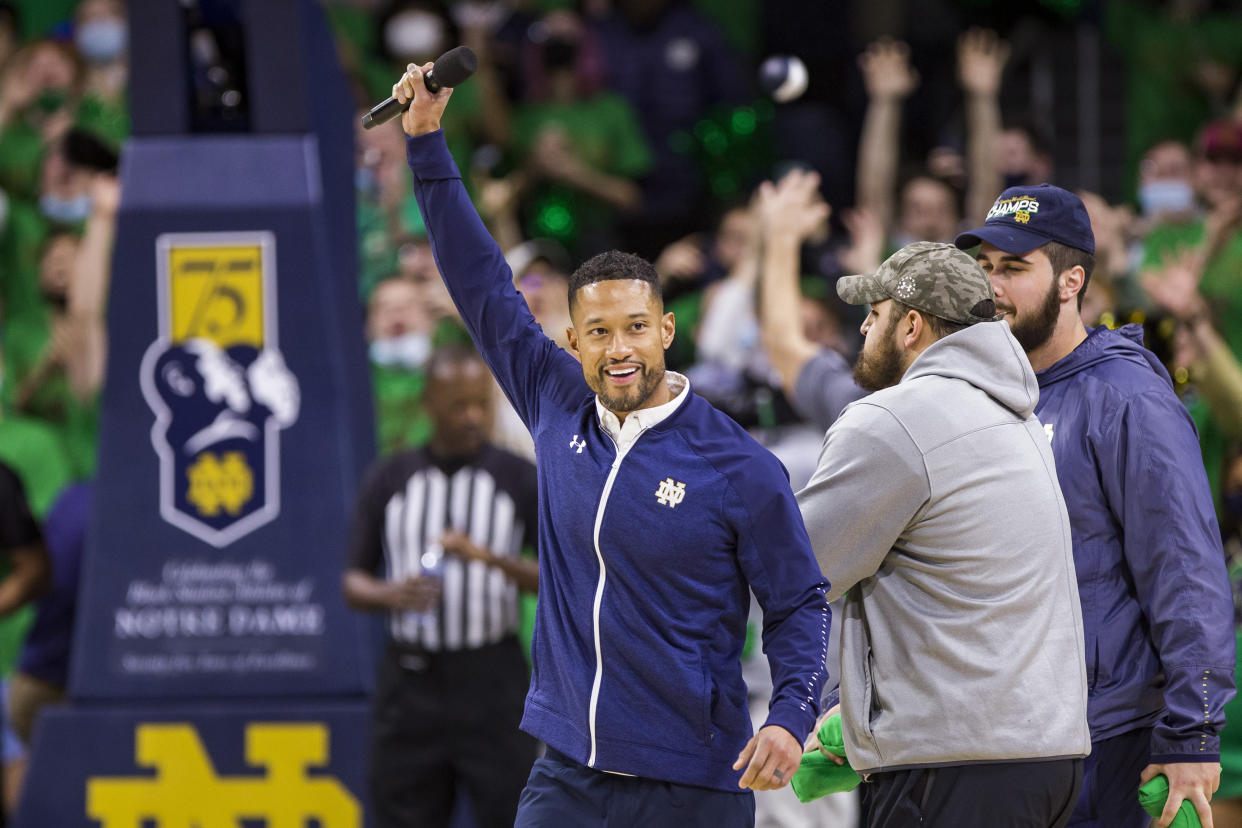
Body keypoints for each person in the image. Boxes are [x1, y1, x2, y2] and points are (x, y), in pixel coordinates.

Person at [392, 60, 831, 828]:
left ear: (666, 329)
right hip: (570, 774)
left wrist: (792, 715)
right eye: (598, 332)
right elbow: (482, 284)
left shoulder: (737, 467)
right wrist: (426, 141)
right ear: (574, 340)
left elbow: (800, 603)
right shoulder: (554, 400)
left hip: (693, 782)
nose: (619, 348)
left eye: (635, 327)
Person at [957, 184, 1236, 828]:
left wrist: (1192, 733)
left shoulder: (1127, 396)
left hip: (1106, 737)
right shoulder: (982, 394)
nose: (993, 286)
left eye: (1015, 268)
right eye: (986, 267)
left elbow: (1185, 569)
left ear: (1070, 280)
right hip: (1000, 733)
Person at [797, 240, 1090, 826]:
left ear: (910, 325)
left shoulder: (897, 419)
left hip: (954, 767)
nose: (860, 327)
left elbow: (796, 569)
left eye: (873, 314)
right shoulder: (1018, 417)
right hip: (1047, 761)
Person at [344, 343, 540, 828]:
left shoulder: (518, 479)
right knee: (402, 810)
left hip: (492, 676)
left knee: (511, 811)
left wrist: (489, 559)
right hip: (411, 680)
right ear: (429, 403)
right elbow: (352, 581)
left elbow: (559, 580)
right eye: (459, 405)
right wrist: (392, 594)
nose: (473, 417)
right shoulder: (390, 478)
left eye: (481, 404)